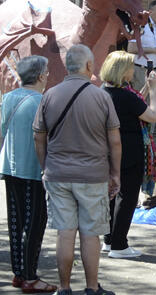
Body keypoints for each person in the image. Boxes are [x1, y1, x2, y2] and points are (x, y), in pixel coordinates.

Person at [32, 44, 120, 295]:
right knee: (91, 234)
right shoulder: (102, 96)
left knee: (65, 233)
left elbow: (39, 136)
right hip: (93, 175)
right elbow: (115, 140)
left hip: (58, 175)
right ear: (90, 66)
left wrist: (45, 165)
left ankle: (64, 287)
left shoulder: (50, 95)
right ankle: (92, 287)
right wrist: (115, 173)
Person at [98, 51, 156, 259]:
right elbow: (153, 116)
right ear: (123, 71)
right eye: (131, 67)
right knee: (127, 196)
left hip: (107, 149)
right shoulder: (125, 96)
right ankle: (119, 244)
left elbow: (136, 103)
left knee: (112, 195)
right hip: (130, 150)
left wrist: (144, 89)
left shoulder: (103, 91)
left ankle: (109, 240)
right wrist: (154, 90)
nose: (134, 71)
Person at [2, 56, 52, 294]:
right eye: (48, 72)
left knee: (16, 220)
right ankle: (30, 277)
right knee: (34, 223)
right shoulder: (42, 101)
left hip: (10, 167)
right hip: (33, 168)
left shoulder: (7, 98)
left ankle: (18, 273)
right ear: (41, 76)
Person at [134, 0, 156, 90]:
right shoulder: (141, 24)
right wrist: (155, 50)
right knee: (141, 102)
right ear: (150, 12)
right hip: (141, 71)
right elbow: (131, 48)